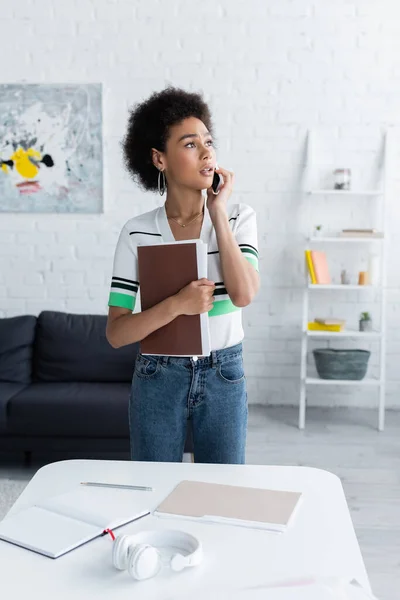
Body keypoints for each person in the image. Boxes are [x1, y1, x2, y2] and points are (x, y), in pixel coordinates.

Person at [106, 87, 260, 464]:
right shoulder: (137, 232)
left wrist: (218, 213)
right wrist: (177, 305)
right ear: (160, 158)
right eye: (190, 144)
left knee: (222, 494)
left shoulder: (240, 217)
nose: (207, 152)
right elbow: (117, 333)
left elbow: (243, 295)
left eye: (209, 142)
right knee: (151, 492)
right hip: (158, 375)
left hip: (224, 371)